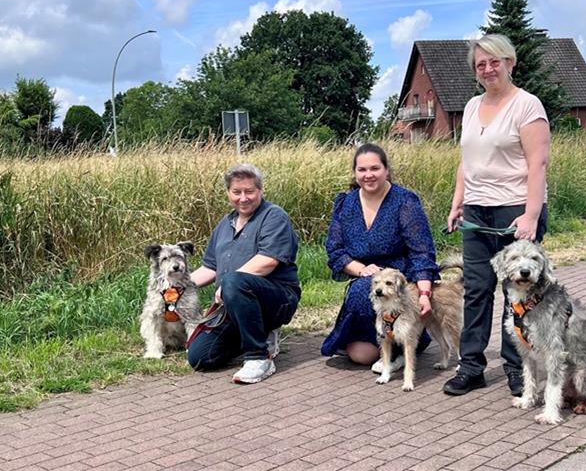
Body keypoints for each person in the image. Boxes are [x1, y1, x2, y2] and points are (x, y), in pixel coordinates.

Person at [442, 33, 551, 397]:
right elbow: (466, 161)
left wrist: (531, 215)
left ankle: (517, 368)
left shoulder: (527, 105)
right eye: (481, 64)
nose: (488, 69)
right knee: (476, 290)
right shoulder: (472, 107)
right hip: (477, 212)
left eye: (494, 62)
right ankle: (471, 367)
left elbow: (538, 163)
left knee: (516, 292)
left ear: (510, 63)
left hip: (515, 210)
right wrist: (458, 202)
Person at [321, 143, 439, 370]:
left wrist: (425, 293)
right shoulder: (345, 203)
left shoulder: (404, 201)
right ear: (355, 172)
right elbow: (335, 250)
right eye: (362, 170)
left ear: (386, 170)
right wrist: (361, 269)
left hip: (399, 281)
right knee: (360, 356)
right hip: (365, 275)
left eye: (375, 168)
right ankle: (395, 342)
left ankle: (401, 348)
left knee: (360, 291)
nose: (368, 175)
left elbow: (422, 252)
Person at [186, 163, 301, 384]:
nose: (243, 198)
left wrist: (228, 284)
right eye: (236, 192)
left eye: (249, 191)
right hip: (233, 303)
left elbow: (268, 261)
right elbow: (210, 267)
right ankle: (258, 334)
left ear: (261, 190)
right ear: (228, 193)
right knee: (200, 358)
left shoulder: (274, 216)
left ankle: (259, 357)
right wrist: (179, 286)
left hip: (277, 299)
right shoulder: (224, 225)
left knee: (234, 281)